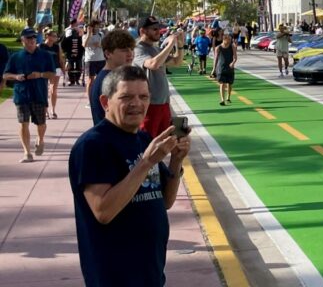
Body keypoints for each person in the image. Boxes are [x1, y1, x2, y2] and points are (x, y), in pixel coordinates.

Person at [69, 65, 190, 287]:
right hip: (114, 276)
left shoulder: (143, 139)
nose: (137, 103)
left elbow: (165, 201)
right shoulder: (94, 145)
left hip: (150, 271)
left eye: (143, 96)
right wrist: (146, 163)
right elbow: (103, 211)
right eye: (126, 97)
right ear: (105, 102)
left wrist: (176, 160)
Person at [5, 28, 57, 162]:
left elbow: (52, 75)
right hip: (21, 94)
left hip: (39, 93)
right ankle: (27, 152)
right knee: (23, 123)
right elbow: (5, 75)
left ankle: (40, 139)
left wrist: (39, 75)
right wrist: (16, 76)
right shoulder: (16, 57)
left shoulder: (46, 55)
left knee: (41, 123)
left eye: (34, 37)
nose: (32, 40)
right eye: (28, 38)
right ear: (22, 40)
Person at [133, 16, 184, 138]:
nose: (158, 32)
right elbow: (153, 64)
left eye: (159, 29)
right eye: (154, 29)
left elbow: (177, 62)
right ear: (142, 31)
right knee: (148, 143)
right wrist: (170, 44)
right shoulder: (138, 48)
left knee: (164, 142)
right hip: (150, 105)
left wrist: (180, 45)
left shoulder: (156, 48)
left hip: (163, 102)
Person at [89, 30, 137, 126]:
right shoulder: (109, 80)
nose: (130, 53)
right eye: (124, 49)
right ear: (108, 54)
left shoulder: (110, 76)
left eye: (131, 49)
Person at [40, 30, 65, 118]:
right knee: (44, 89)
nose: (55, 37)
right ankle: (45, 110)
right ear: (48, 36)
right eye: (54, 36)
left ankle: (53, 110)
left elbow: (61, 59)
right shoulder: (41, 46)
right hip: (44, 70)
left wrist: (64, 70)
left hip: (56, 69)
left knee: (53, 89)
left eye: (56, 36)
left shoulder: (57, 47)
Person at [83, 21, 106, 96]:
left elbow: (106, 45)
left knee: (101, 79)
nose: (97, 28)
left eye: (98, 26)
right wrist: (89, 34)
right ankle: (90, 99)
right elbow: (84, 45)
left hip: (100, 59)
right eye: (95, 27)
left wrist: (100, 45)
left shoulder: (101, 35)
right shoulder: (85, 36)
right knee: (90, 80)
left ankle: (99, 97)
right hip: (90, 60)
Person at [213, 34, 237, 105]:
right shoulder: (218, 48)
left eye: (230, 40)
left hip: (230, 68)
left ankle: (228, 97)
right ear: (224, 39)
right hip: (221, 68)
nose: (230, 41)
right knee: (222, 84)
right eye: (229, 40)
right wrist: (214, 68)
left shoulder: (232, 47)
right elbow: (215, 59)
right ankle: (222, 100)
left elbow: (235, 57)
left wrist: (233, 62)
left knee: (229, 84)